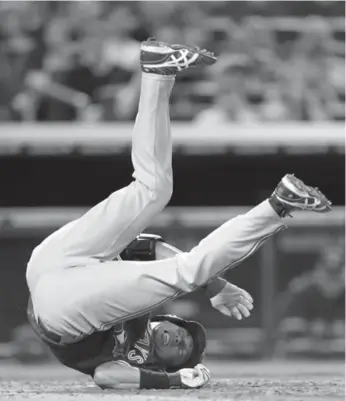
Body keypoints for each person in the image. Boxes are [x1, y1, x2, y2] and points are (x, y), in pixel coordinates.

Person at [26, 39, 331, 391]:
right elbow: (148, 249)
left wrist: (172, 379)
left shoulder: (132, 358)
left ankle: (278, 205)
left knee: (181, 264)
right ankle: (158, 72)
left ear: (164, 362)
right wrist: (215, 284)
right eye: (184, 337)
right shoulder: (140, 307)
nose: (179, 341)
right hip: (51, 266)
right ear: (172, 320)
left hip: (58, 311)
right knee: (153, 190)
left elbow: (107, 377)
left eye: (181, 351)